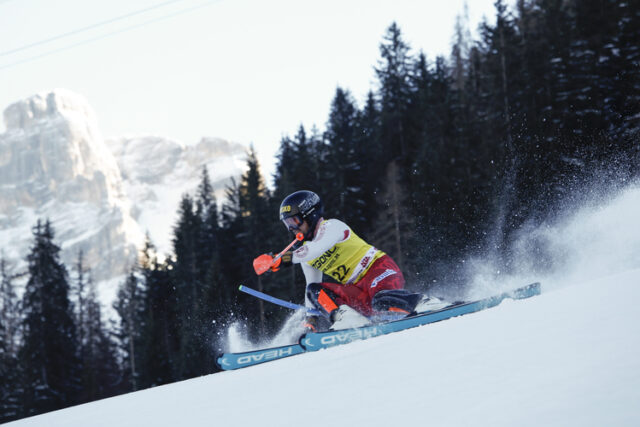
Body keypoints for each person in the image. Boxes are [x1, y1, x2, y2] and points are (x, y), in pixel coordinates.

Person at [254, 190, 446, 332]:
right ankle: (347, 319)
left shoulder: (332, 227)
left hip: (378, 270)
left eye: (294, 222)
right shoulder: (306, 254)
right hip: (357, 288)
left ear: (310, 214)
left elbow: (316, 248)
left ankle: (425, 302)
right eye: (287, 224)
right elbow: (312, 286)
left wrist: (280, 260)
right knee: (314, 290)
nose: (292, 229)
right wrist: (311, 319)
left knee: (380, 299)